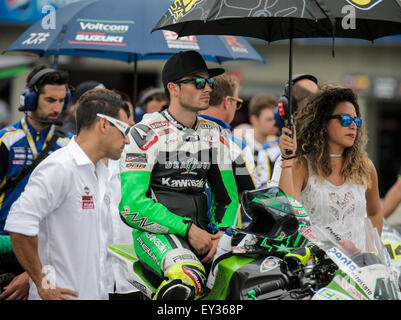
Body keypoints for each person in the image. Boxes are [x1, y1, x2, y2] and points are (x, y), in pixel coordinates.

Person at [119, 50, 239, 300]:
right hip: (157, 235)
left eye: (210, 82)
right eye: (198, 82)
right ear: (173, 88)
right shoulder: (144, 133)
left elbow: (228, 198)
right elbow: (131, 206)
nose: (207, 88)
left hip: (208, 235)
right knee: (189, 277)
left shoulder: (214, 133)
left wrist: (221, 234)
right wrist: (187, 229)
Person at [4, 88, 130, 300]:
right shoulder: (60, 167)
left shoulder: (100, 170)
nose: (127, 140)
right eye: (125, 130)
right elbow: (19, 226)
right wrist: (42, 282)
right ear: (104, 124)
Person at [0, 65, 73, 300]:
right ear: (29, 99)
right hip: (6, 246)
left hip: (49, 252)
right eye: (50, 100)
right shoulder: (7, 141)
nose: (57, 107)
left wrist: (31, 274)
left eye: (62, 100)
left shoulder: (70, 145)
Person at [278, 86, 383, 234]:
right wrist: (288, 159)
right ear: (324, 123)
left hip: (358, 257)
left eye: (356, 121)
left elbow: (375, 213)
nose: (353, 126)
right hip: (315, 256)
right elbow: (287, 211)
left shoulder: (365, 166)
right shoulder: (302, 165)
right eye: (345, 120)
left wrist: (373, 251)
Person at [198, 73, 257, 192]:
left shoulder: (176, 134)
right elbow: (249, 197)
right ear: (228, 102)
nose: (236, 107)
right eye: (237, 102)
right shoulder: (236, 146)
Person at [266, 74, 319, 187]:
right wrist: (288, 159)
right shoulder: (284, 157)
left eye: (315, 98)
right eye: (305, 97)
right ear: (288, 107)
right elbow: (280, 201)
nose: (312, 105)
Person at [245, 94, 278, 164]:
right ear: (254, 120)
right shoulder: (241, 146)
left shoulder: (277, 145)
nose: (275, 123)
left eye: (276, 119)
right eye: (269, 119)